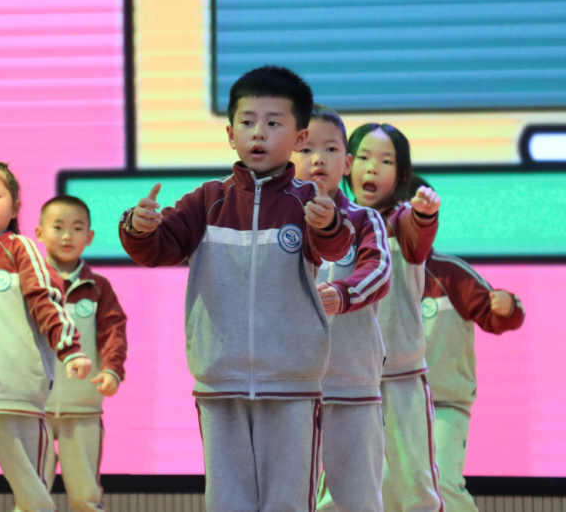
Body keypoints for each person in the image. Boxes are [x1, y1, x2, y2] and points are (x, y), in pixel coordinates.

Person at [120, 65, 355, 511]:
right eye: (247, 122)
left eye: (274, 122)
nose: (258, 132)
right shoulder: (207, 201)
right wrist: (138, 226)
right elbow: (157, 248)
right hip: (219, 379)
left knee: (287, 502)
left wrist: (328, 225)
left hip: (292, 381)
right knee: (228, 502)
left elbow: (336, 245)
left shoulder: (308, 201)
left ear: (299, 138)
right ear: (231, 134)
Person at [0, 160, 91, 512]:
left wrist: (70, 349)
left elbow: (46, 299)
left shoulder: (20, 248)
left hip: (16, 392)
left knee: (31, 488)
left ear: (16, 206)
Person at [292, 105, 392, 512]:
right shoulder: (272, 224)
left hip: (352, 383)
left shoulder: (365, 220)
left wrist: (343, 294)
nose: (318, 159)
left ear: (347, 163)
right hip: (288, 386)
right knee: (287, 499)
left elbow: (380, 271)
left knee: (359, 499)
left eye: (331, 149)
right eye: (306, 149)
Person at [414, 177, 526, 512]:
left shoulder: (450, 274)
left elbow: (500, 316)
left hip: (443, 402)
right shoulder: (370, 273)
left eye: (421, 213)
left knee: (443, 484)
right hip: (384, 404)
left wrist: (508, 306)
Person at [346, 125, 442, 512]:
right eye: (364, 157)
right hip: (346, 376)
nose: (373, 168)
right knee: (339, 486)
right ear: (348, 164)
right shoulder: (332, 221)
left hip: (401, 375)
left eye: (386, 161)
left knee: (416, 485)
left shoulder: (403, 221)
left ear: (401, 175)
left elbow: (419, 235)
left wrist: (425, 214)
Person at [35, 195, 128, 512]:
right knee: (32, 494)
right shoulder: (30, 286)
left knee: (86, 494)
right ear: (39, 233)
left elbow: (114, 332)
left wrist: (112, 370)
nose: (67, 236)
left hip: (84, 408)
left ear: (89, 236)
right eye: (58, 227)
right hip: (34, 407)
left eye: (76, 228)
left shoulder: (99, 287)